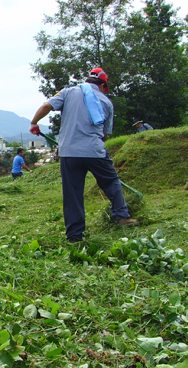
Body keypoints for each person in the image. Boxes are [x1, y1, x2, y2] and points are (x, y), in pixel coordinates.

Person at [29, 67, 138, 243]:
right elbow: (104, 135)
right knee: (111, 181)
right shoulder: (106, 102)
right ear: (102, 85)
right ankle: (121, 216)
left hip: (69, 153)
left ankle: (75, 235)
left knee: (72, 194)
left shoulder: (68, 92)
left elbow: (46, 106)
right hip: (94, 151)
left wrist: (34, 123)